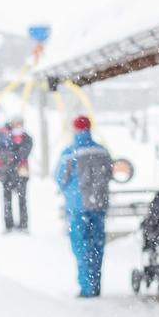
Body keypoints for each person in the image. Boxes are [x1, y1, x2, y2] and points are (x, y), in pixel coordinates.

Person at [54, 115, 112, 298]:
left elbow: (60, 178)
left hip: (78, 207)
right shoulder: (102, 151)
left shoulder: (70, 152)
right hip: (99, 205)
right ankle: (96, 285)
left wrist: (73, 191)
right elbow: (109, 173)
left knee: (81, 247)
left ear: (75, 129)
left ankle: (87, 287)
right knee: (97, 245)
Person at [0, 116, 32, 232]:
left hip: (20, 172)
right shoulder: (1, 136)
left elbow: (24, 152)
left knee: (22, 199)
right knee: (7, 199)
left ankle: (23, 225)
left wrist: (10, 157)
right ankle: (9, 225)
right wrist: (10, 157)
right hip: (7, 172)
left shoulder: (26, 138)